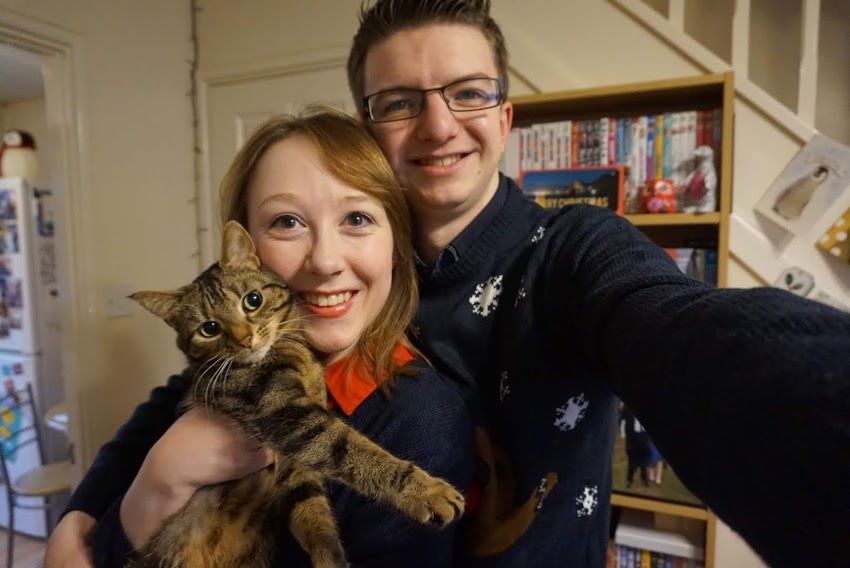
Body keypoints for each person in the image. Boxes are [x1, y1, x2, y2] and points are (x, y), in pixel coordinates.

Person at [48, 1, 850, 567]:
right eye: (400, 103)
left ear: (505, 119)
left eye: (469, 94)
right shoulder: (338, 276)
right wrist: (83, 517)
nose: (438, 127)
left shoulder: (572, 247)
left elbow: (681, 329)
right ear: (369, 136)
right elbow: (184, 396)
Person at [47, 108, 474, 568]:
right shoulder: (237, 364)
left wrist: (142, 502)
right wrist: (142, 489)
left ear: (396, 243)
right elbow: (133, 443)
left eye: (357, 217)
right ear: (249, 246)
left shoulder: (421, 421)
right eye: (287, 222)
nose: (325, 261)